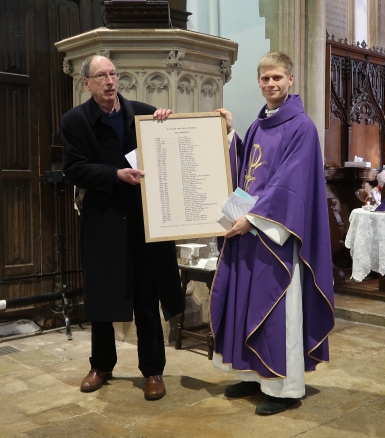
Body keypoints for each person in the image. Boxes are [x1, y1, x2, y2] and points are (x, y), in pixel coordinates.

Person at [210, 52, 335, 415]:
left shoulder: (302, 128)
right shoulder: (258, 126)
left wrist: (253, 220)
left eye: (277, 77)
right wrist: (231, 133)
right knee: (246, 302)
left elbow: (289, 186)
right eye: (265, 79)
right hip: (250, 230)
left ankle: (284, 387)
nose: (271, 84)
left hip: (277, 235)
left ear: (291, 79)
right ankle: (252, 374)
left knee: (277, 307)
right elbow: (249, 170)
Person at [61, 55, 184, 400]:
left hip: (145, 219)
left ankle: (154, 371)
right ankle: (100, 365)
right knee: (102, 296)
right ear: (87, 83)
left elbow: (168, 150)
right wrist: (114, 175)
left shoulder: (145, 112)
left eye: (113, 74)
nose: (110, 80)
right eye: (101, 75)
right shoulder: (75, 121)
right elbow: (74, 169)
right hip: (103, 220)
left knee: (147, 296)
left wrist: (166, 122)